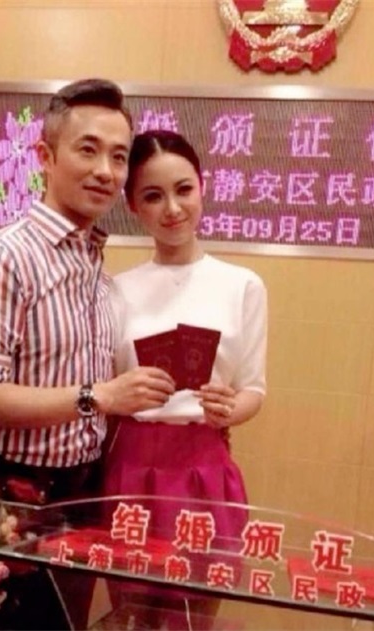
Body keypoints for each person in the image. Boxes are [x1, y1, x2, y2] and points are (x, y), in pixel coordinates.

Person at [0, 79, 175, 631]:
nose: (105, 170)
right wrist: (100, 397)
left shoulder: (93, 264)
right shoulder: (5, 255)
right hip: (22, 494)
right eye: (88, 150)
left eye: (118, 157)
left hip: (87, 489)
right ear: (46, 157)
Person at [104, 129, 268, 630]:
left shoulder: (242, 285)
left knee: (194, 618)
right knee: (131, 615)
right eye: (153, 195)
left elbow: (254, 388)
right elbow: (106, 389)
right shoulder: (115, 290)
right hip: (131, 468)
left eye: (184, 189)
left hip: (204, 468)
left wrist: (229, 408)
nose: (173, 208)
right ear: (133, 205)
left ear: (203, 187)